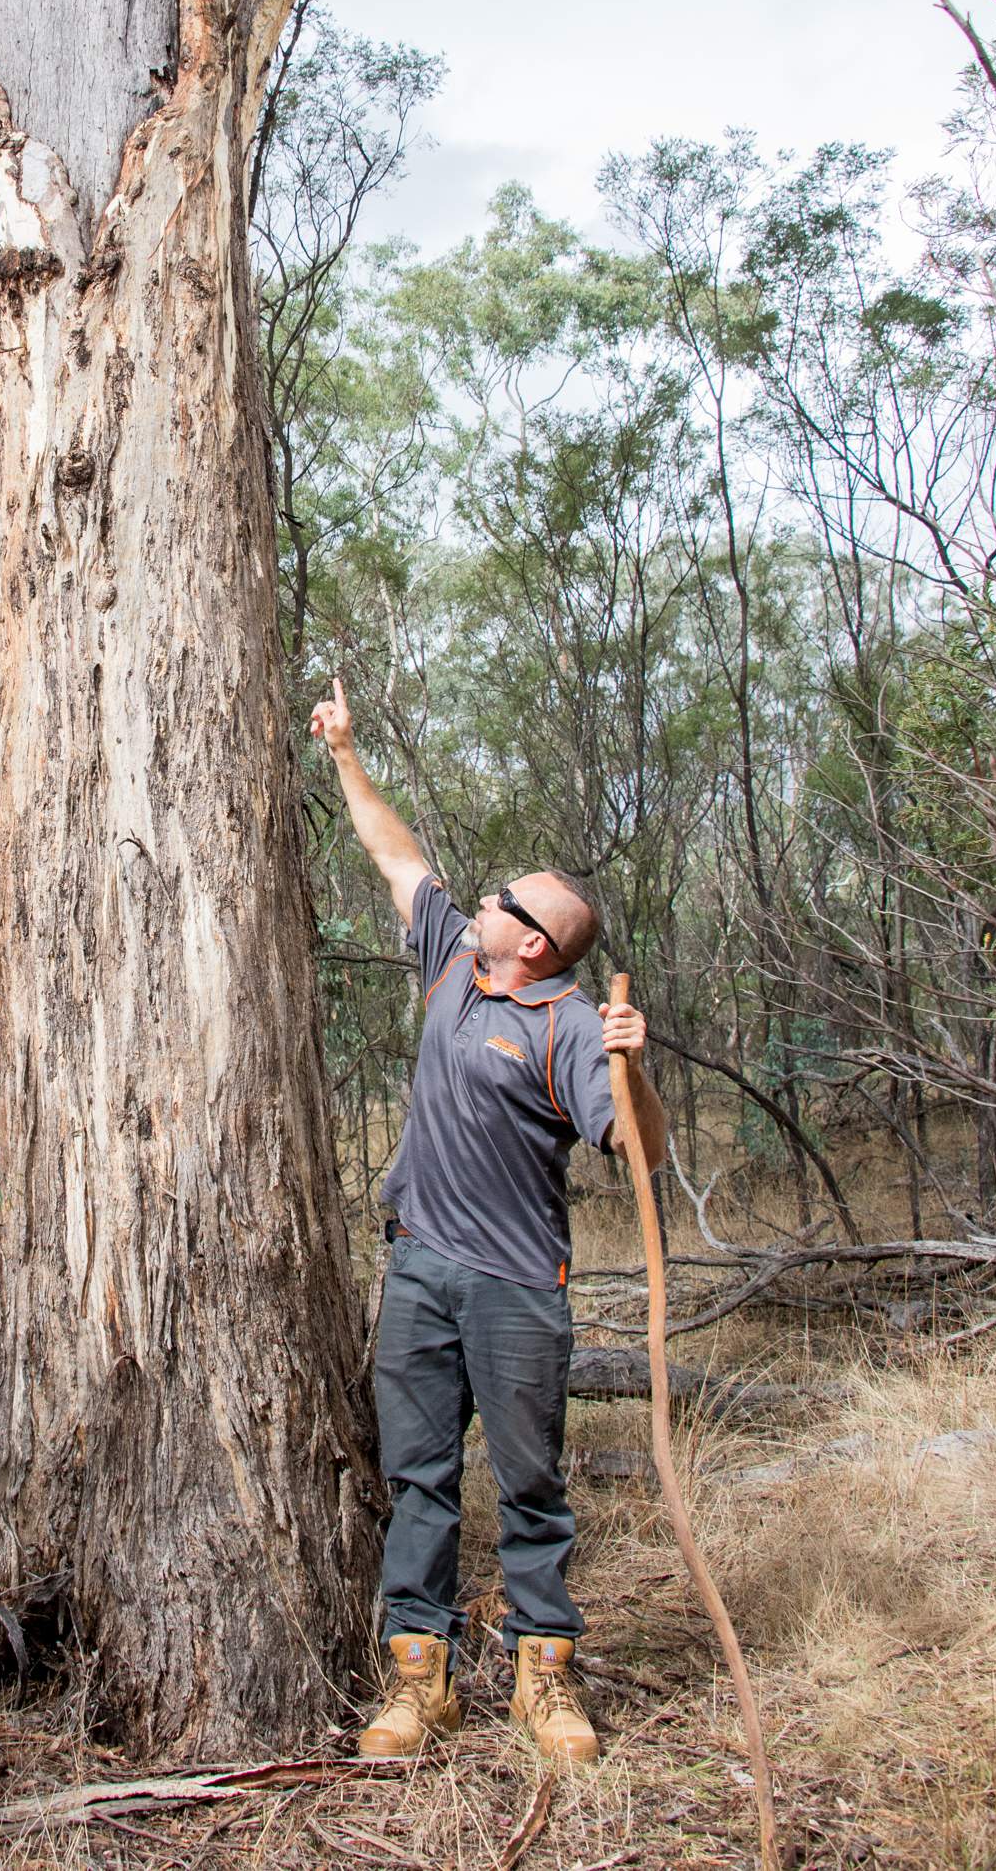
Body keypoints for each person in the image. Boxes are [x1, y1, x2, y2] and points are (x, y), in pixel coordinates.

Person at [309, 676, 667, 1767]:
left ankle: (542, 1676)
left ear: (534, 945)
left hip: (517, 1289)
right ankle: (419, 1682)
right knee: (417, 1480)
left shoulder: (566, 1029)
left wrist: (633, 1067)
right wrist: (342, 752)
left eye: (506, 902)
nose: (485, 903)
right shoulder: (453, 968)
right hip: (416, 1270)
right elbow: (393, 853)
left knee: (529, 1487)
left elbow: (641, 1155)